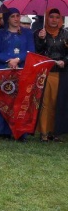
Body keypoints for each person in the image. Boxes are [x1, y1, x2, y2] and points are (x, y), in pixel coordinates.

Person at [0, 8, 35, 139]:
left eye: (18, 16)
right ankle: (3, 130)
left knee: (20, 101)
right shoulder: (0, 34)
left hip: (21, 70)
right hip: (4, 71)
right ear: (7, 19)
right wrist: (9, 60)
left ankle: (20, 131)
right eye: (13, 16)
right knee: (4, 100)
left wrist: (18, 59)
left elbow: (31, 51)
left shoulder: (27, 33)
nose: (16, 18)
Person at [34, 8, 68, 142]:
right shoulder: (40, 33)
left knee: (58, 102)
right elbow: (36, 52)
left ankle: (55, 132)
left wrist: (65, 61)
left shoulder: (65, 34)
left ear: (60, 19)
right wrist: (41, 40)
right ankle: (44, 132)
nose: (54, 20)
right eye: (51, 17)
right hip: (46, 73)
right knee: (45, 103)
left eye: (57, 17)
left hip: (62, 73)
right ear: (46, 18)